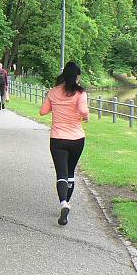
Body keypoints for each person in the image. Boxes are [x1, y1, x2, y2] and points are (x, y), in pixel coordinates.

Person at [40, 61, 89, 226]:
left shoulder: (53, 92)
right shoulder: (81, 93)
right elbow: (83, 111)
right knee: (70, 173)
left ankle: (63, 203)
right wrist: (86, 117)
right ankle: (67, 203)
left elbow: (43, 111)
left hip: (58, 139)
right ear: (77, 76)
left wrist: (56, 104)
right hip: (77, 139)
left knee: (61, 173)